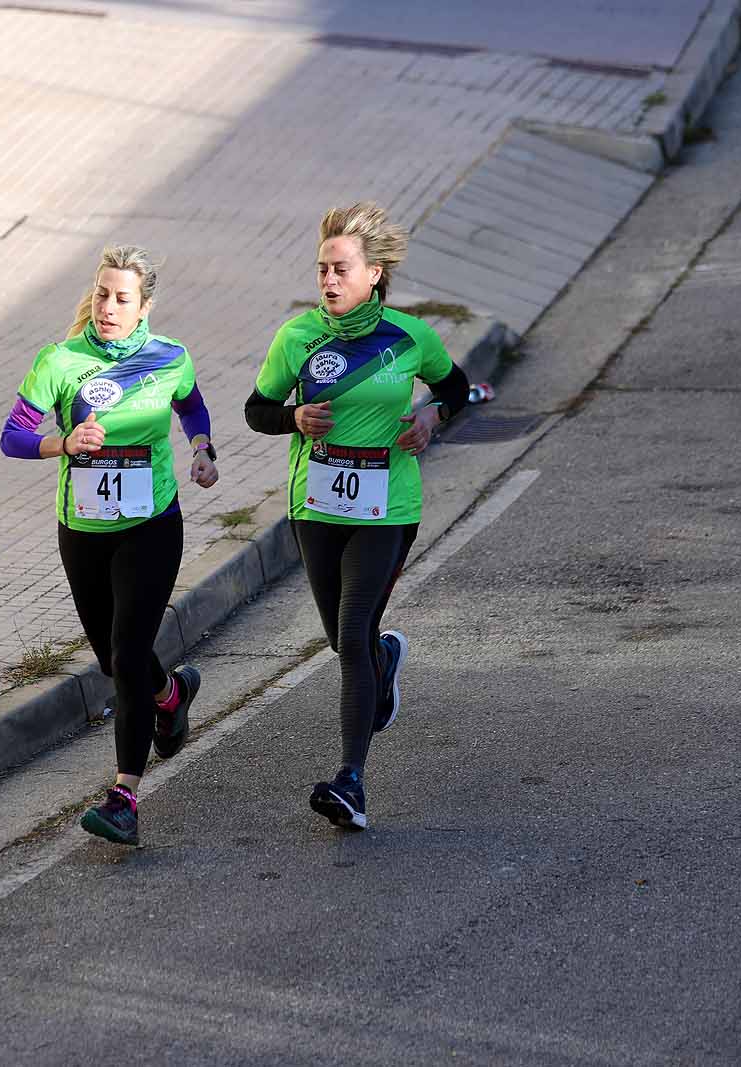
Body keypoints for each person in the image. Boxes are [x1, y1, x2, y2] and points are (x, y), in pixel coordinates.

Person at [244, 202, 469, 831]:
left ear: (373, 274)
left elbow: (456, 387)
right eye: (322, 270)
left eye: (341, 269)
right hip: (315, 506)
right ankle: (383, 663)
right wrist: (292, 417)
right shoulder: (296, 338)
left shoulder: (409, 336)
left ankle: (351, 782)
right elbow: (256, 410)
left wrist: (430, 415)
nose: (328, 281)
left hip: (386, 506)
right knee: (348, 640)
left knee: (350, 635)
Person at [0, 245, 218, 846]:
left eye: (122, 298)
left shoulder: (169, 357)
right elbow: (13, 437)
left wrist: (202, 449)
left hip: (151, 525)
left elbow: (192, 405)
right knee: (112, 660)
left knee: (126, 653)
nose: (108, 306)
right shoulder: (61, 361)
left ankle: (124, 796)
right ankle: (169, 694)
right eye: (102, 294)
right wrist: (63, 445)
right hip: (84, 531)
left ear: (144, 305)